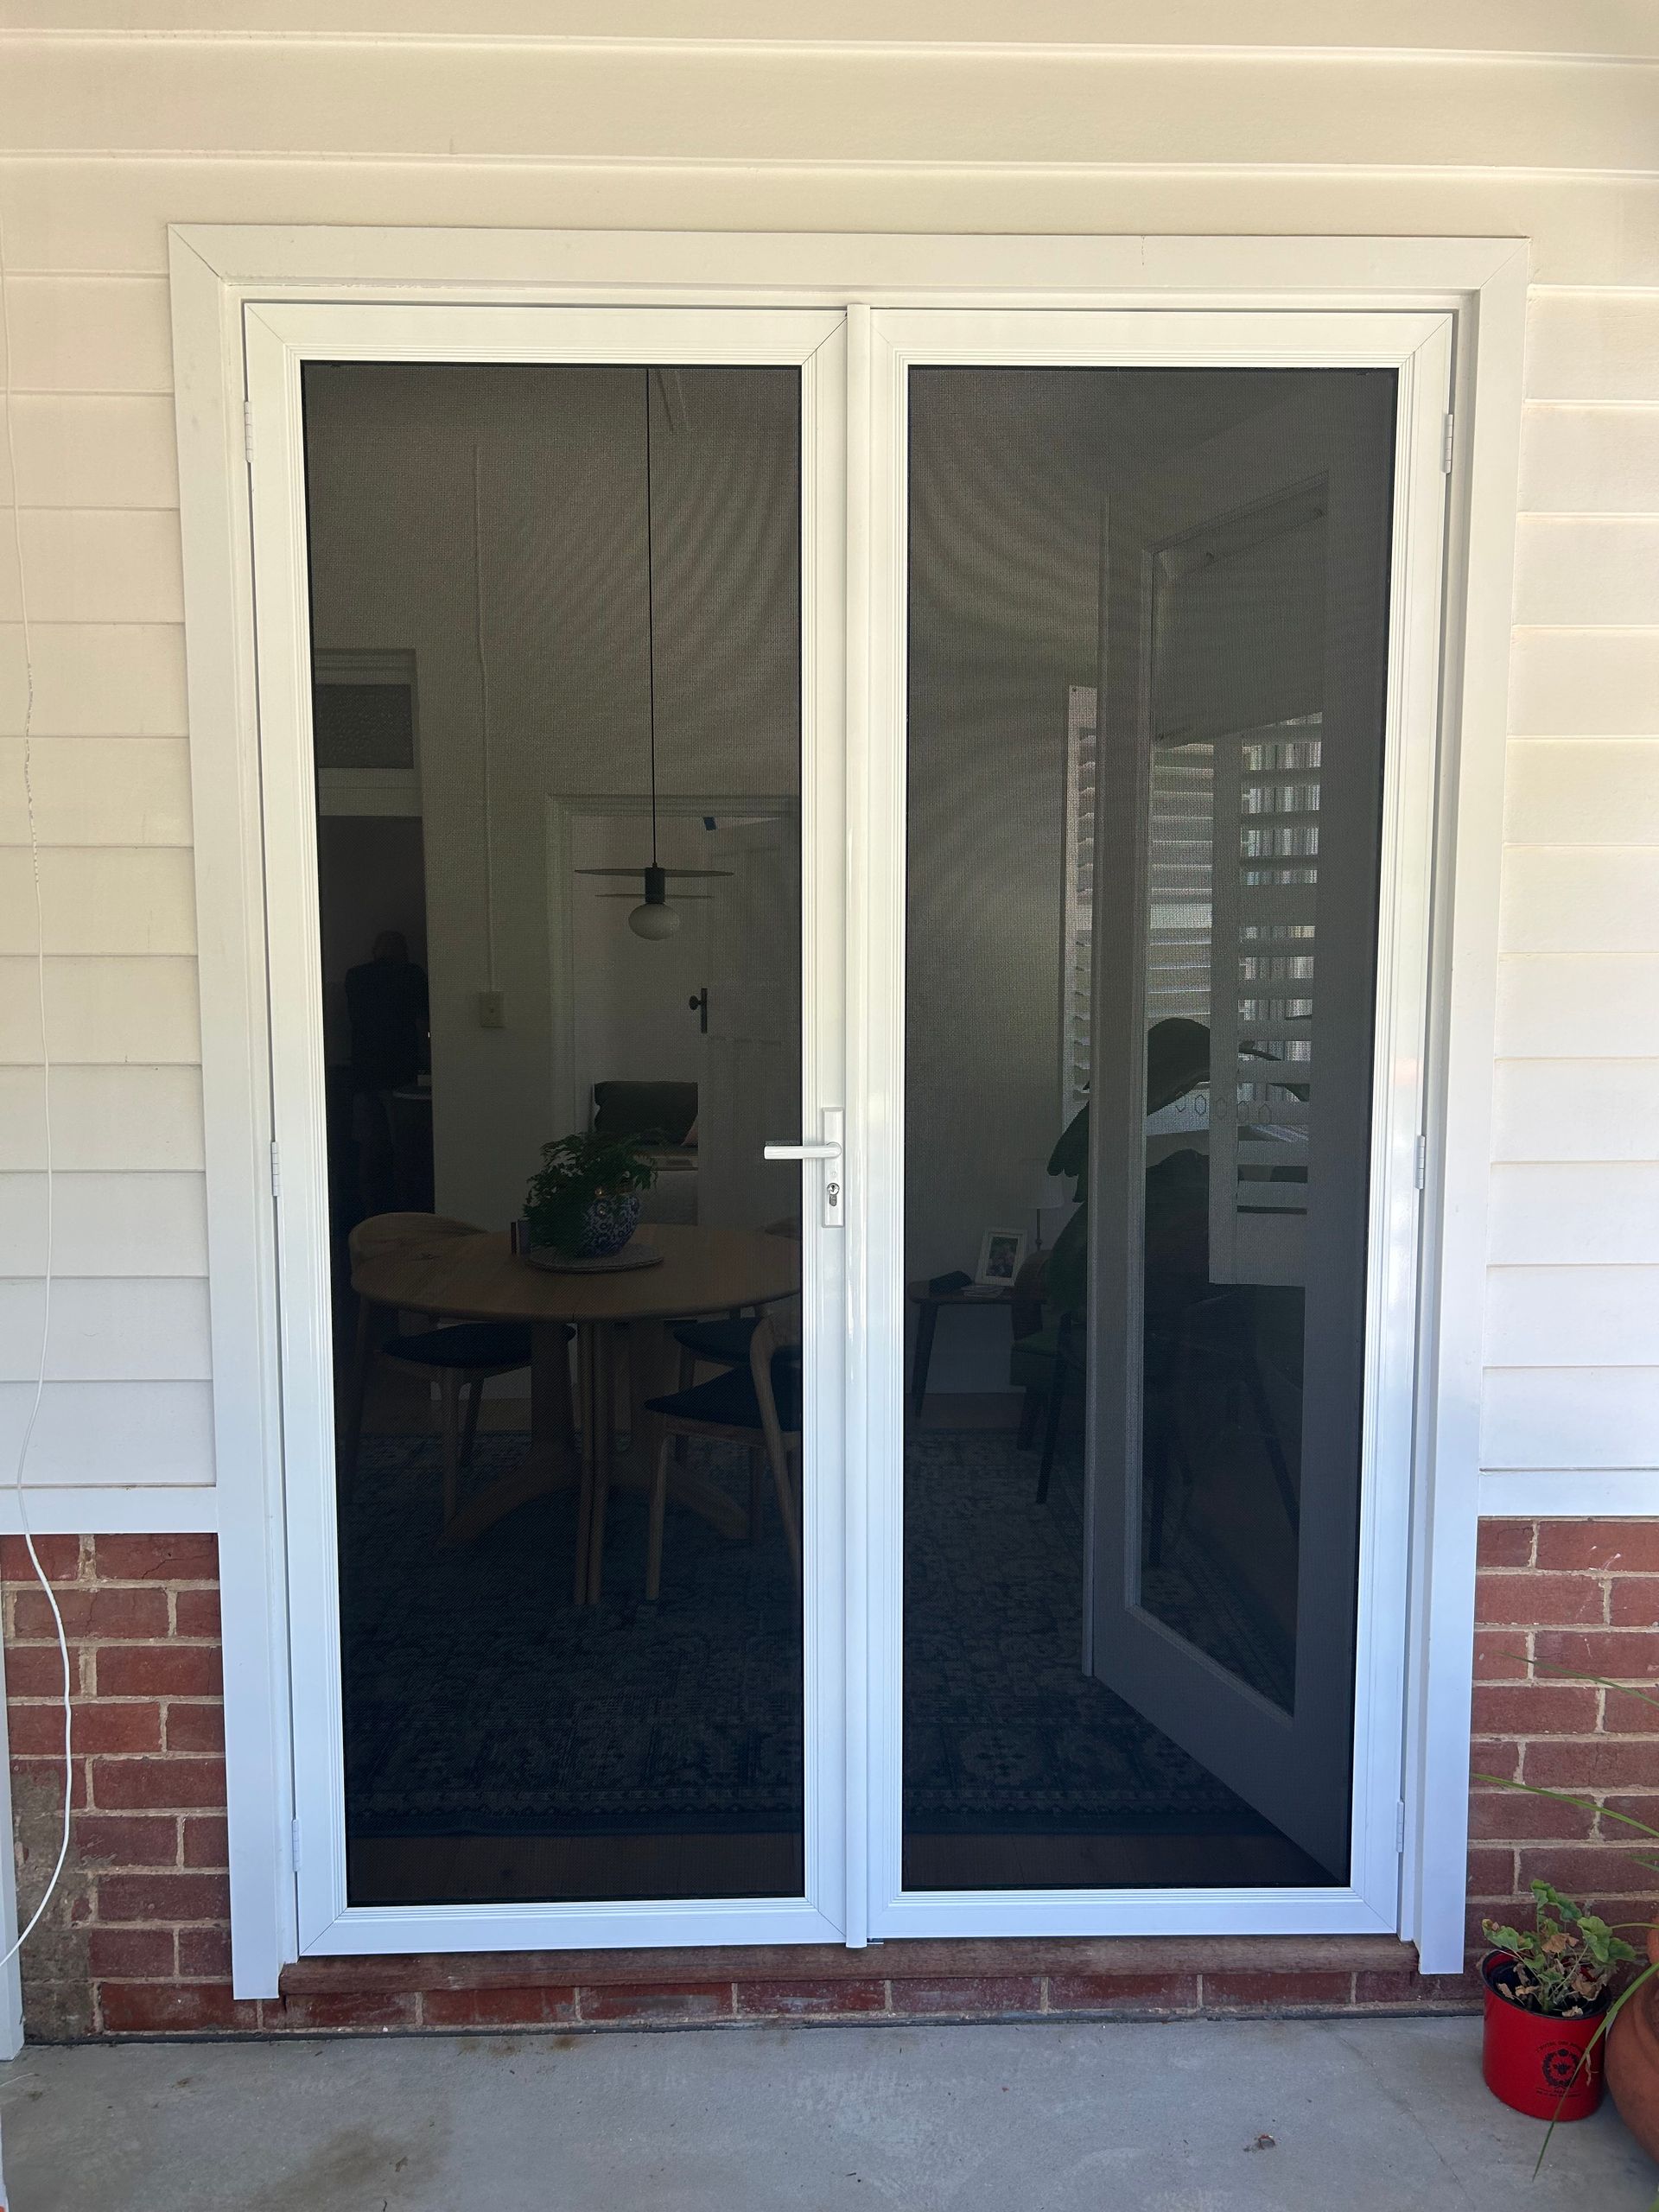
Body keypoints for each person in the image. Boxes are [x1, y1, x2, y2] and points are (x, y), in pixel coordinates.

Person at [346, 931, 429, 1213]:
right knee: (404, 1148)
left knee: (369, 1148)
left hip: (363, 1072)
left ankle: (369, 1214)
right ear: (403, 951)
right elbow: (422, 1022)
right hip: (400, 1073)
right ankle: (406, 1211)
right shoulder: (412, 975)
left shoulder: (355, 977)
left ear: (374, 950)